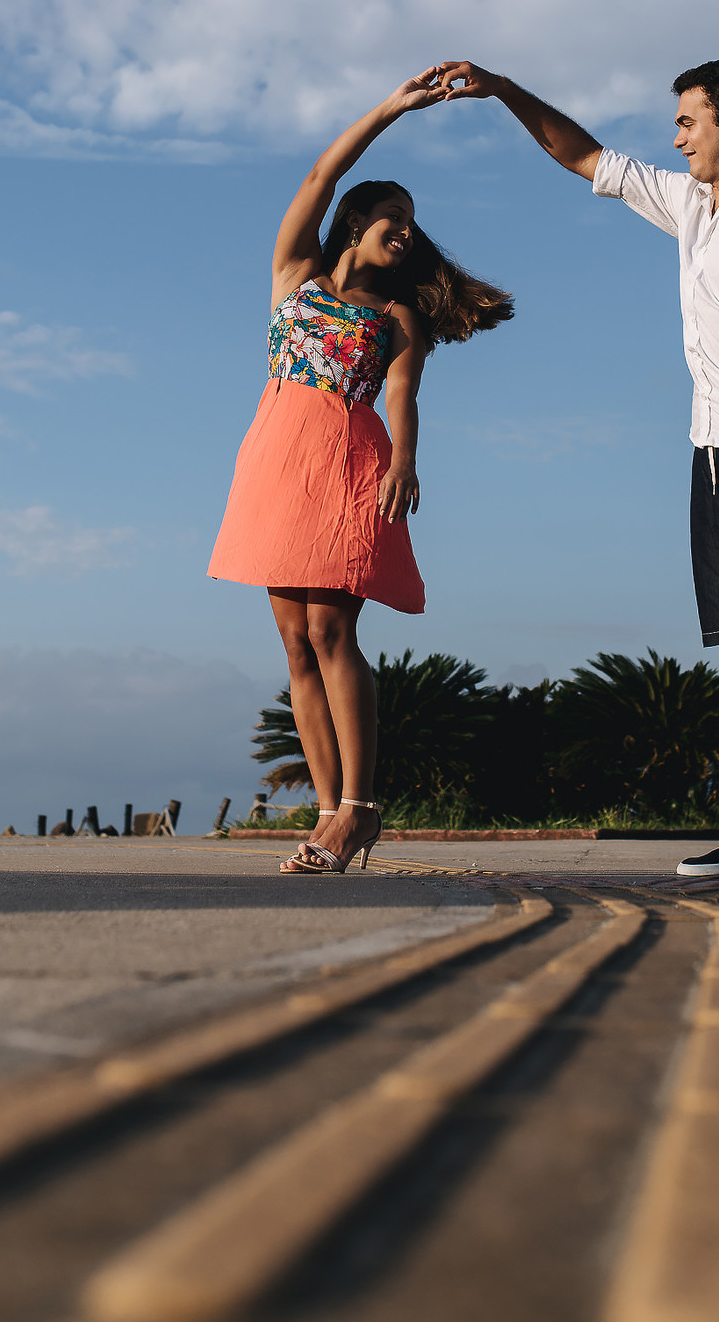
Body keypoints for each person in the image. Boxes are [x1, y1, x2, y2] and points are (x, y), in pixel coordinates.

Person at [436, 56, 719, 881]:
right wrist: (503, 90)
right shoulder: (694, 206)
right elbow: (581, 155)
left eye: (686, 122)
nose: (676, 139)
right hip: (714, 448)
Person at [209, 68, 514, 875]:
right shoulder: (294, 275)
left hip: (350, 462)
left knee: (330, 629)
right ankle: (326, 811)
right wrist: (391, 108)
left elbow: (404, 395)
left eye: (413, 225)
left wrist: (405, 461)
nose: (406, 233)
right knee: (293, 644)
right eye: (393, 218)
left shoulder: (397, 314)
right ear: (355, 221)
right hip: (275, 461)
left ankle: (360, 807)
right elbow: (321, 172)